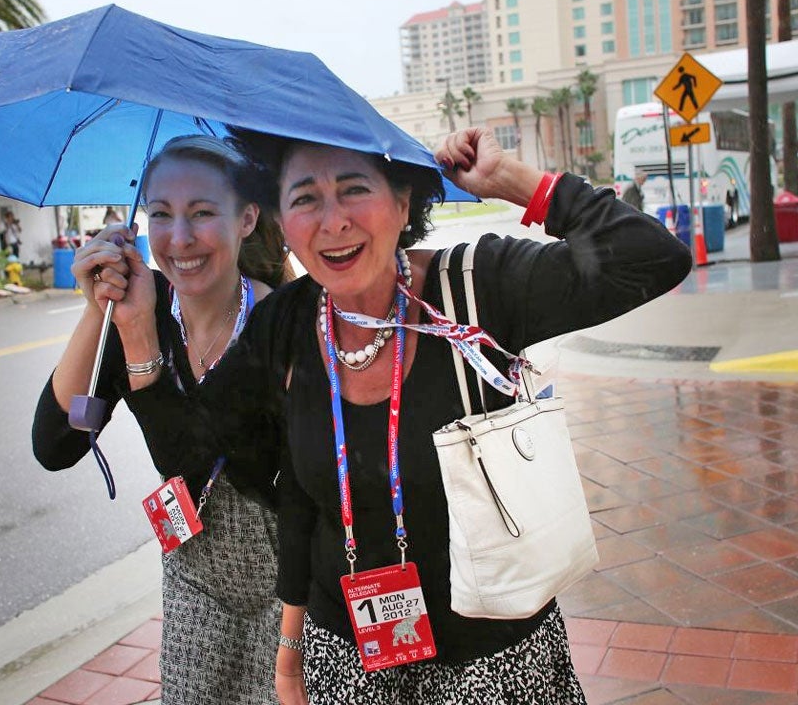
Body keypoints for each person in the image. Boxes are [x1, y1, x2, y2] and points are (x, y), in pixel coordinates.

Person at [111, 126, 692, 704]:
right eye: (305, 198)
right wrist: (136, 329)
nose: (333, 221)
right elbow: (204, 459)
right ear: (282, 222)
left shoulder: (476, 287)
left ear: (403, 201)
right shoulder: (285, 324)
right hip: (347, 663)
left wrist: (510, 180)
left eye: (354, 189)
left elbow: (652, 257)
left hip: (495, 661)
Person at [32, 135, 293, 705]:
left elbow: (202, 454)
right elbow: (58, 442)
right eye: (160, 214)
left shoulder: (282, 321)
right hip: (195, 576)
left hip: (292, 583)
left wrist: (140, 343)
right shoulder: (140, 310)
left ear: (247, 218)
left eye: (202, 213)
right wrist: (98, 310)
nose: (179, 238)